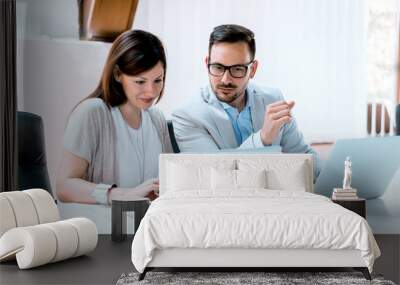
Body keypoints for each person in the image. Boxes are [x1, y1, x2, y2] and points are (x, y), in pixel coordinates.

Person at [172, 24, 321, 177]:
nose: (225, 79)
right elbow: (216, 177)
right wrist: (263, 139)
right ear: (206, 64)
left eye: (237, 69)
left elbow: (311, 165)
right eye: (217, 67)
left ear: (253, 69)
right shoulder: (187, 116)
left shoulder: (273, 99)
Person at [56, 30, 173, 205]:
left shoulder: (157, 118)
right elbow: (64, 187)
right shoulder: (92, 113)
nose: (151, 91)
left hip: (146, 227)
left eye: (158, 80)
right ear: (118, 74)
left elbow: (170, 179)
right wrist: (124, 195)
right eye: (140, 82)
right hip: (103, 228)